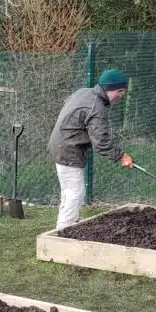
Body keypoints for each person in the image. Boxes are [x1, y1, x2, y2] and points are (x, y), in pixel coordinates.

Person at [48, 68, 133, 229]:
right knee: (75, 194)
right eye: (119, 91)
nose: (121, 96)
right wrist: (121, 156)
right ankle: (63, 231)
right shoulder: (97, 107)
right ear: (109, 89)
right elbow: (101, 142)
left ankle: (67, 225)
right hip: (68, 148)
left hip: (60, 143)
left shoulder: (84, 92)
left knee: (70, 192)